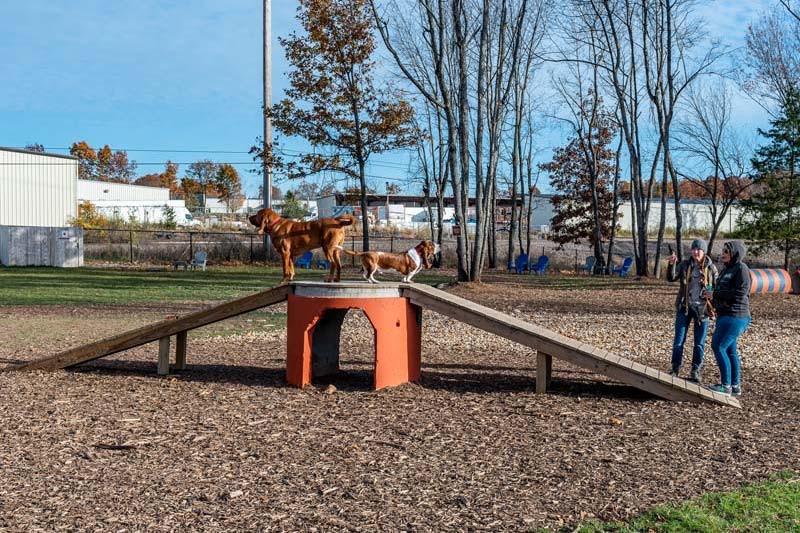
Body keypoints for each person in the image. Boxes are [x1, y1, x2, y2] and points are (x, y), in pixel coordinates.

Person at [666, 239, 717, 382]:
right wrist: (671, 264)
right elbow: (671, 278)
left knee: (699, 343)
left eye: (698, 250)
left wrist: (714, 300)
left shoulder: (711, 268)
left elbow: (717, 288)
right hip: (685, 307)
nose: (695, 252)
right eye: (693, 249)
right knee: (678, 340)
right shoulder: (684, 265)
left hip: (702, 310)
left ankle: (696, 370)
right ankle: (675, 368)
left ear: (704, 251)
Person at [706, 240, 751, 396]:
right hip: (723, 314)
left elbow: (740, 293)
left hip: (736, 316)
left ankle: (725, 386)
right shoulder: (725, 270)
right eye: (723, 251)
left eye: (726, 251)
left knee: (718, 346)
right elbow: (720, 291)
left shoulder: (741, 269)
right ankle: (735, 385)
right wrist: (712, 301)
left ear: (734, 253)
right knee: (731, 351)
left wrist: (715, 294)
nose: (723, 254)